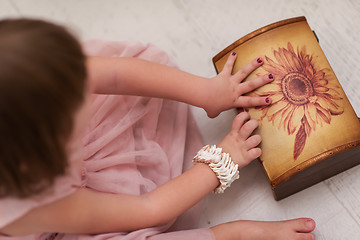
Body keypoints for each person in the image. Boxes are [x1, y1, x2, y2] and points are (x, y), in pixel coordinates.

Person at [0, 18, 316, 240]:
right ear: (54, 145)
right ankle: (234, 234)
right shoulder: (37, 205)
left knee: (143, 72)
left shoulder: (33, 79)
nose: (87, 83)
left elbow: (113, 74)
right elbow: (148, 209)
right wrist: (221, 161)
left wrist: (206, 93)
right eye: (78, 94)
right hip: (55, 218)